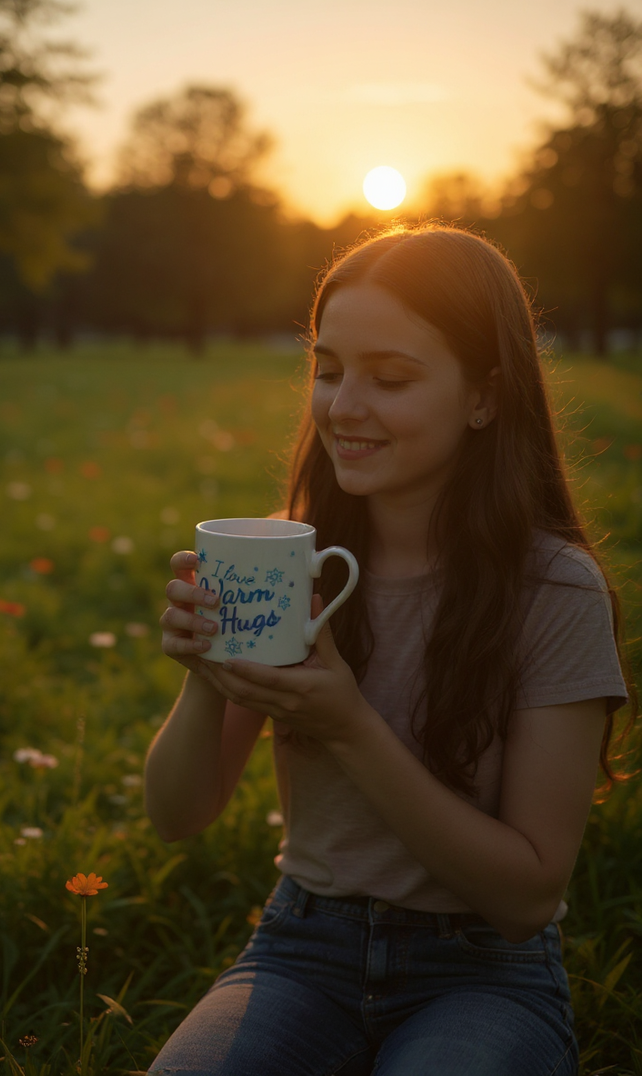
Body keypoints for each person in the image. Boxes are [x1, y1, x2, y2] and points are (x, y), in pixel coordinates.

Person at [144, 224, 636, 1076]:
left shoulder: (553, 589)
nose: (343, 407)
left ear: (484, 396)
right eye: (327, 372)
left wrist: (348, 726)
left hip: (484, 972)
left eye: (391, 378)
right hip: (302, 943)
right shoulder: (282, 561)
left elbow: (526, 897)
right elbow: (177, 815)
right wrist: (203, 680)